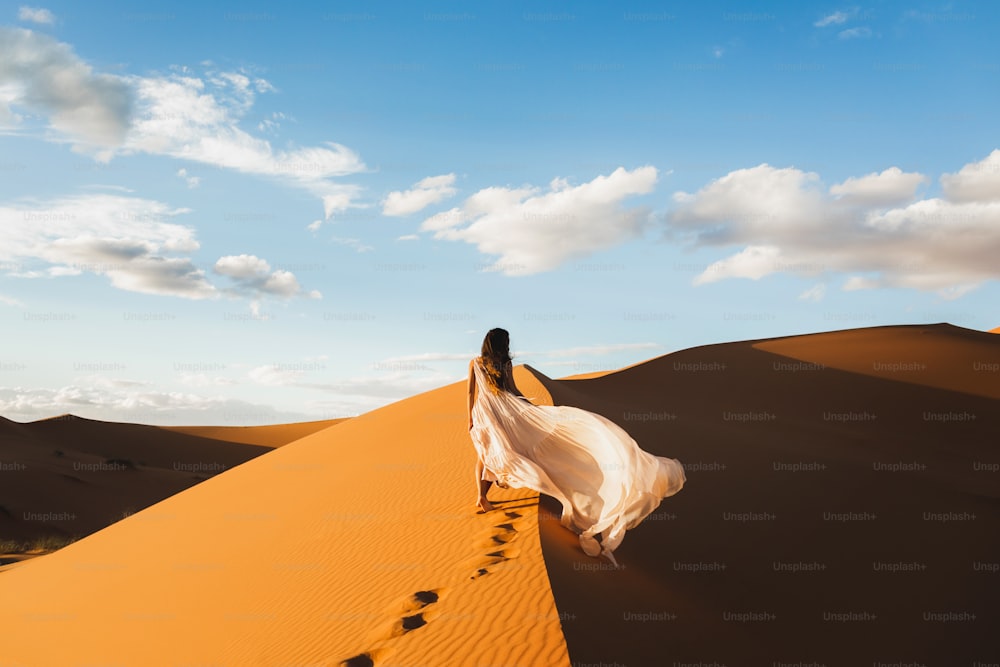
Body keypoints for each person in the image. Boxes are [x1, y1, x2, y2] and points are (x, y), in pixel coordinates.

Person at [467, 327, 686, 564]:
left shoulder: (476, 363)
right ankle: (483, 496)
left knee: (485, 453)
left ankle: (482, 497)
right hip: (503, 413)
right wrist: (527, 406)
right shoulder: (503, 364)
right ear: (502, 344)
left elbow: (471, 392)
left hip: (487, 413)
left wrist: (471, 416)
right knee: (491, 453)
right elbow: (511, 390)